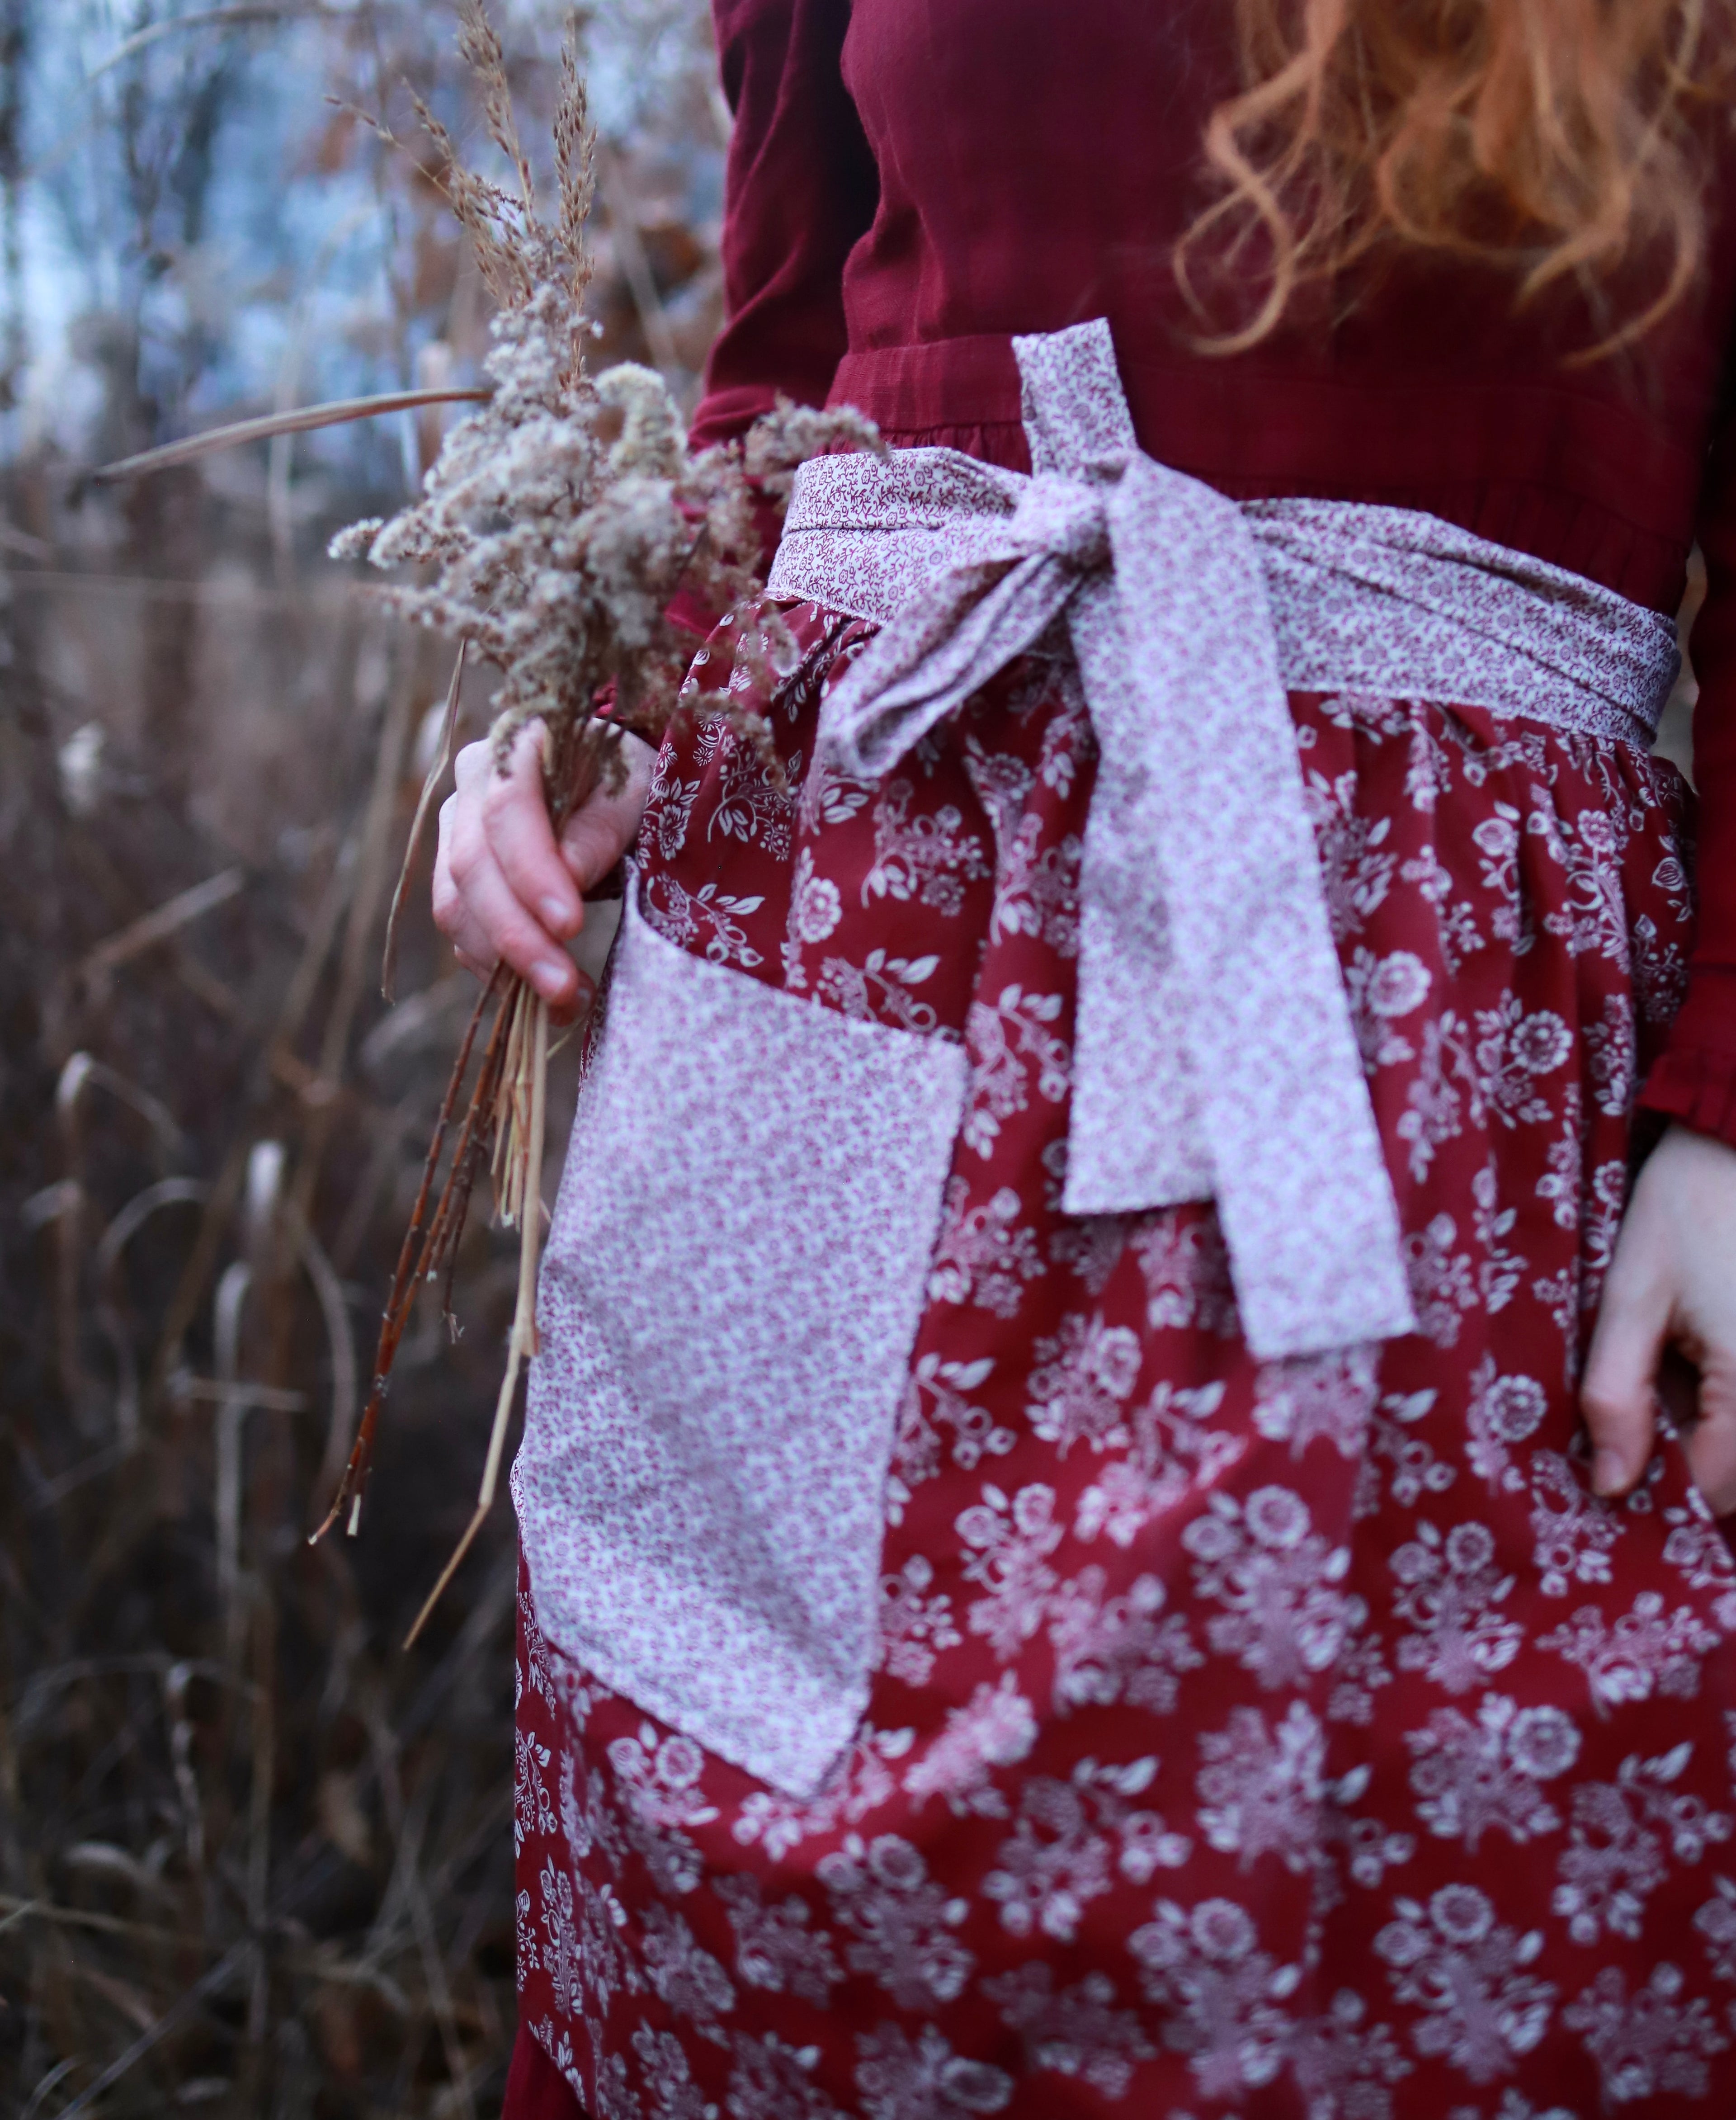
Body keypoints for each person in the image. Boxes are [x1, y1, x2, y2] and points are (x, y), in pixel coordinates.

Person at [437, 4, 1736, 2113]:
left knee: (1431, 1919)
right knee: (749, 1921)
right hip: (864, 913)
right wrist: (615, 709)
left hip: (1447, 1030)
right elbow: (781, 382)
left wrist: (1734, 1113)